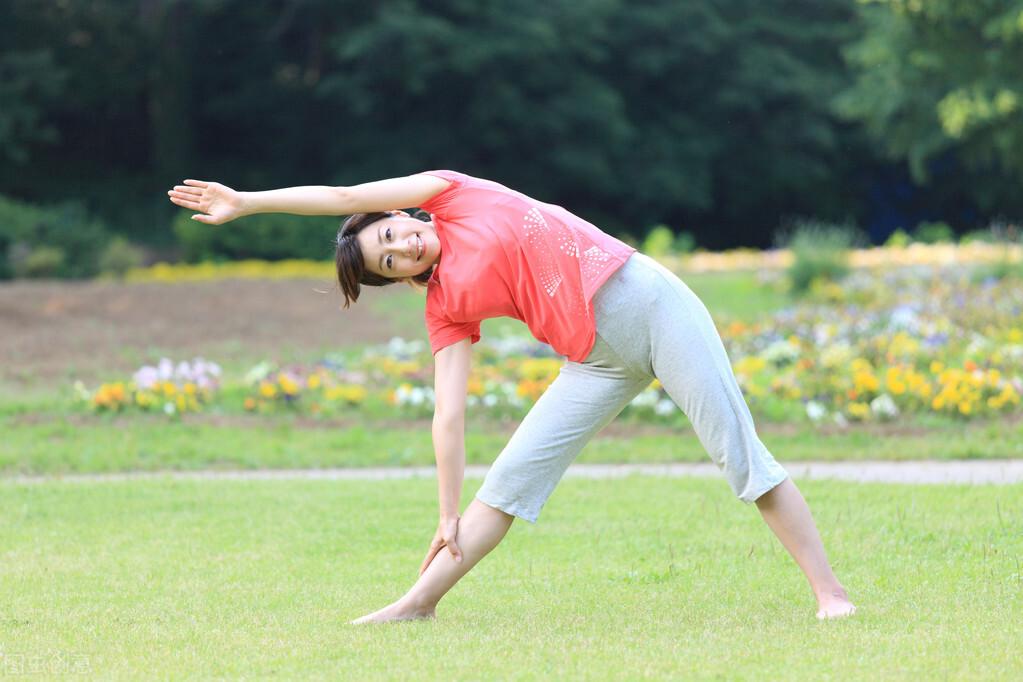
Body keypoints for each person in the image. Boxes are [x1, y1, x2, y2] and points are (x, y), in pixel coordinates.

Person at [166, 171, 856, 624]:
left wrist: (249, 204)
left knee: (735, 453)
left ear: (400, 213)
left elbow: (345, 196)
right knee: (504, 485)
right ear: (398, 279)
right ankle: (416, 606)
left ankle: (830, 595)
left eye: (390, 234)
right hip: (593, 360)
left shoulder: (452, 193)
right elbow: (448, 412)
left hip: (650, 305)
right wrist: (443, 513)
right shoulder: (444, 303)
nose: (402, 247)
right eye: (389, 261)